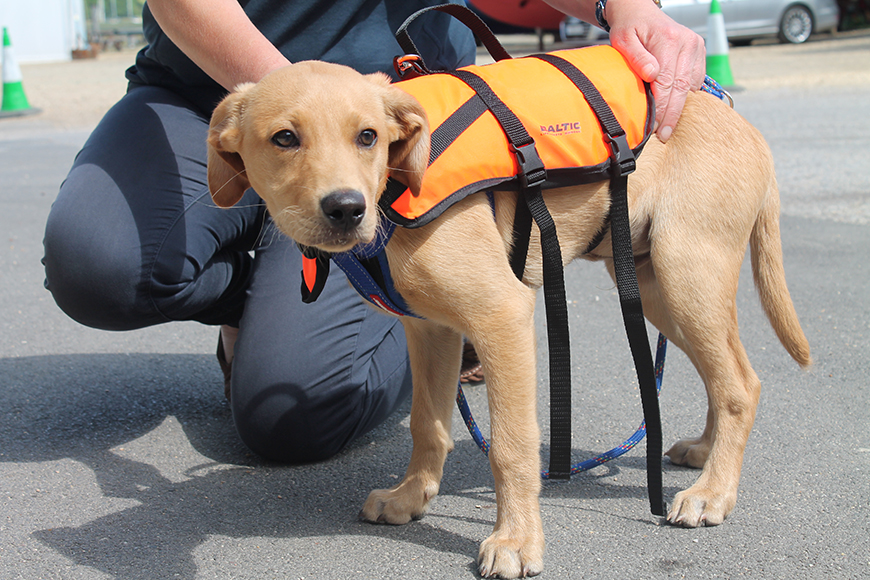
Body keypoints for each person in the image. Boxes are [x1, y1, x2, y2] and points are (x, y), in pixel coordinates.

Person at [42, 0, 705, 464]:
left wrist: (626, 4)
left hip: (395, 118)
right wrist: (300, 100)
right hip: (212, 92)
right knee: (98, 265)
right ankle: (279, 282)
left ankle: (394, 300)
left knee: (289, 420)